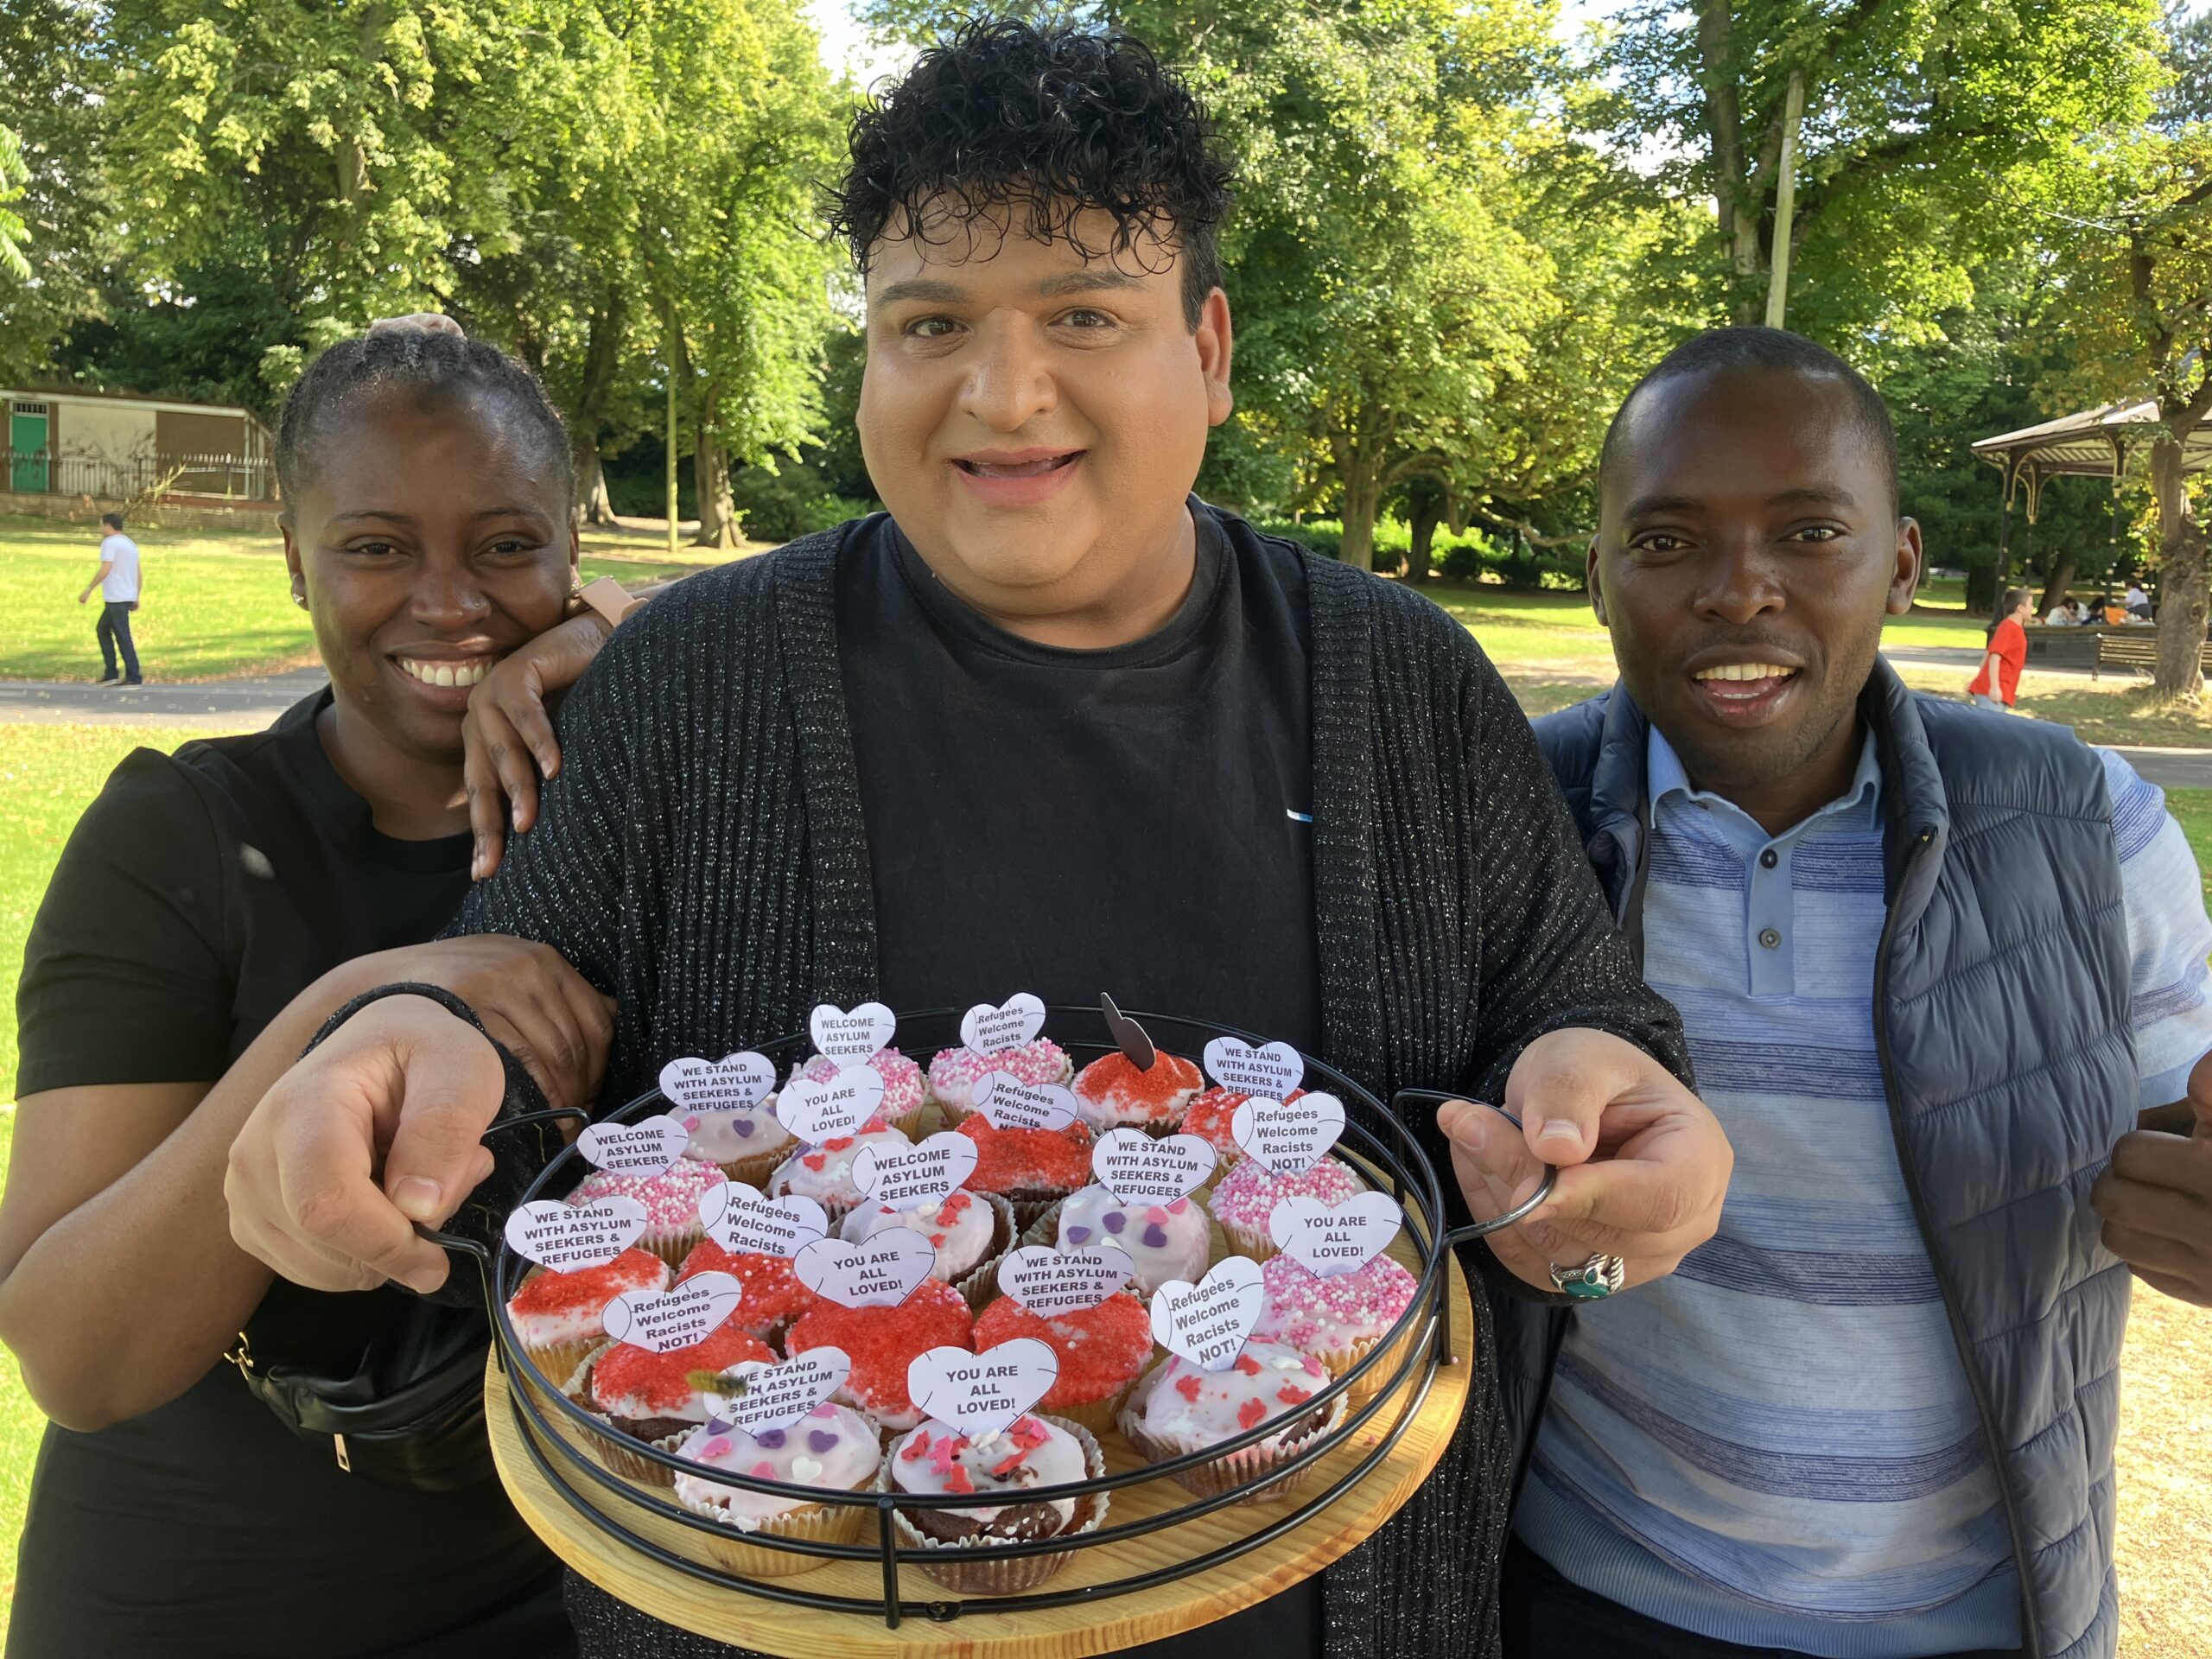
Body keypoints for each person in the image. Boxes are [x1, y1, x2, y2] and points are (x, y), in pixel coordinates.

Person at [223, 22, 1735, 1659]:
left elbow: (1569, 1006)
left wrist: (1613, 1103)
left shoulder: (1402, 682)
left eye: (1085, 315)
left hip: (1351, 1601)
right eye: (930, 322)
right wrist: (407, 1041)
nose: (1002, 393)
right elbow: (521, 1014)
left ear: (1211, 351)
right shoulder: (691, 681)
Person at [1499, 327, 2212, 1659]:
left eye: (1810, 530)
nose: (1739, 591)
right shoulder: (1504, 819)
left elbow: (2184, 1138)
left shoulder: (2083, 824)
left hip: (1978, 1616)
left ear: (1902, 560)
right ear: (1597, 575)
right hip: (1594, 1591)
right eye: (1665, 543)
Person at [0, 330, 631, 1657]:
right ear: (297, 562)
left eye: (508, 546)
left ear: (576, 555)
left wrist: (649, 651)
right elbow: (75, 1355)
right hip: (218, 1600)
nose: (450, 603)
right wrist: (358, 1000)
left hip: (568, 1594)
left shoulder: (639, 813)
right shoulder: (185, 835)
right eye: (377, 548)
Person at [77, 509, 143, 684]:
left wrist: (89, 589)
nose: (100, 529)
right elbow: (138, 573)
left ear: (108, 526)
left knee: (122, 635)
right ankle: (111, 672)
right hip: (125, 596)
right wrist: (136, 595)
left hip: (116, 597)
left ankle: (133, 676)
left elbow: (105, 569)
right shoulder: (130, 544)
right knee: (103, 630)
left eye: (101, 525)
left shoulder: (110, 543)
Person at [1967, 584, 2031, 710]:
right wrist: (1994, 687)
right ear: (2020, 608)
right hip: (1992, 692)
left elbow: (1987, 654)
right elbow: (1994, 656)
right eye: (2030, 605)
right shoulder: (2009, 627)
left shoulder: (2013, 628)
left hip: (2000, 691)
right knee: (1987, 729)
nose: (2032, 609)